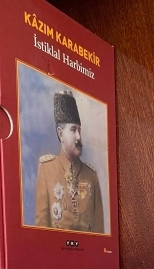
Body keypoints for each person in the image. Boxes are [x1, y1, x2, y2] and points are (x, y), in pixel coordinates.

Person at [35, 90, 104, 232]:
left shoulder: (91, 176)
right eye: (73, 130)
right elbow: (42, 227)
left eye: (80, 130)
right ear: (61, 134)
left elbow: (99, 232)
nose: (79, 136)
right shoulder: (46, 169)